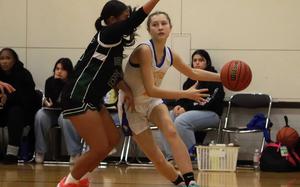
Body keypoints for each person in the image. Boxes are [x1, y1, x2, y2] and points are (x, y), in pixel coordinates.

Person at [58, 1, 160, 186]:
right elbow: (136, 20)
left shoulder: (115, 43)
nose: (128, 21)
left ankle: (78, 178)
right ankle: (68, 182)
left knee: (113, 140)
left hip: (92, 98)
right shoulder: (107, 34)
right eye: (124, 18)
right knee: (99, 148)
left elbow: (113, 74)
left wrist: (126, 90)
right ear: (112, 20)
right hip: (78, 96)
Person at [119, 11, 220, 187]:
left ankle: (191, 181)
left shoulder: (170, 54)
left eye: (163, 23)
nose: (160, 27)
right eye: (155, 24)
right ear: (149, 29)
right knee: (156, 157)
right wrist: (185, 94)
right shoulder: (144, 50)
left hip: (152, 101)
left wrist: (222, 77)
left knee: (172, 131)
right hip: (132, 106)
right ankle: (179, 182)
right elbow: (151, 89)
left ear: (170, 28)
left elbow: (193, 72)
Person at [162, 49, 225, 162]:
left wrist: (186, 109)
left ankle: (192, 157)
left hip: (211, 114)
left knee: (181, 121)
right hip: (191, 113)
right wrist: (178, 106)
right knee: (168, 118)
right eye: (195, 60)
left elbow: (210, 103)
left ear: (207, 63)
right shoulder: (190, 80)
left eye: (201, 60)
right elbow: (184, 97)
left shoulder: (215, 79)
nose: (197, 62)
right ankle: (171, 157)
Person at [34, 58, 82, 164]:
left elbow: (70, 103)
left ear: (69, 71)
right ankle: (40, 151)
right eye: (57, 68)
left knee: (65, 117)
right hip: (53, 112)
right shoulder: (50, 81)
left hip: (68, 112)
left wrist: (64, 84)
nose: (59, 71)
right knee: (40, 115)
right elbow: (51, 100)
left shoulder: (74, 83)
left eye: (63, 69)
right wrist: (47, 103)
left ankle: (74, 152)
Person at [0, 48, 39, 164]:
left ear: (15, 60)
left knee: (15, 112)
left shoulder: (24, 74)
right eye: (1, 58)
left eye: (8, 58)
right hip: (2, 109)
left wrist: (8, 98)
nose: (4, 61)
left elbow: (28, 97)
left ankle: (12, 153)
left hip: (20, 111)